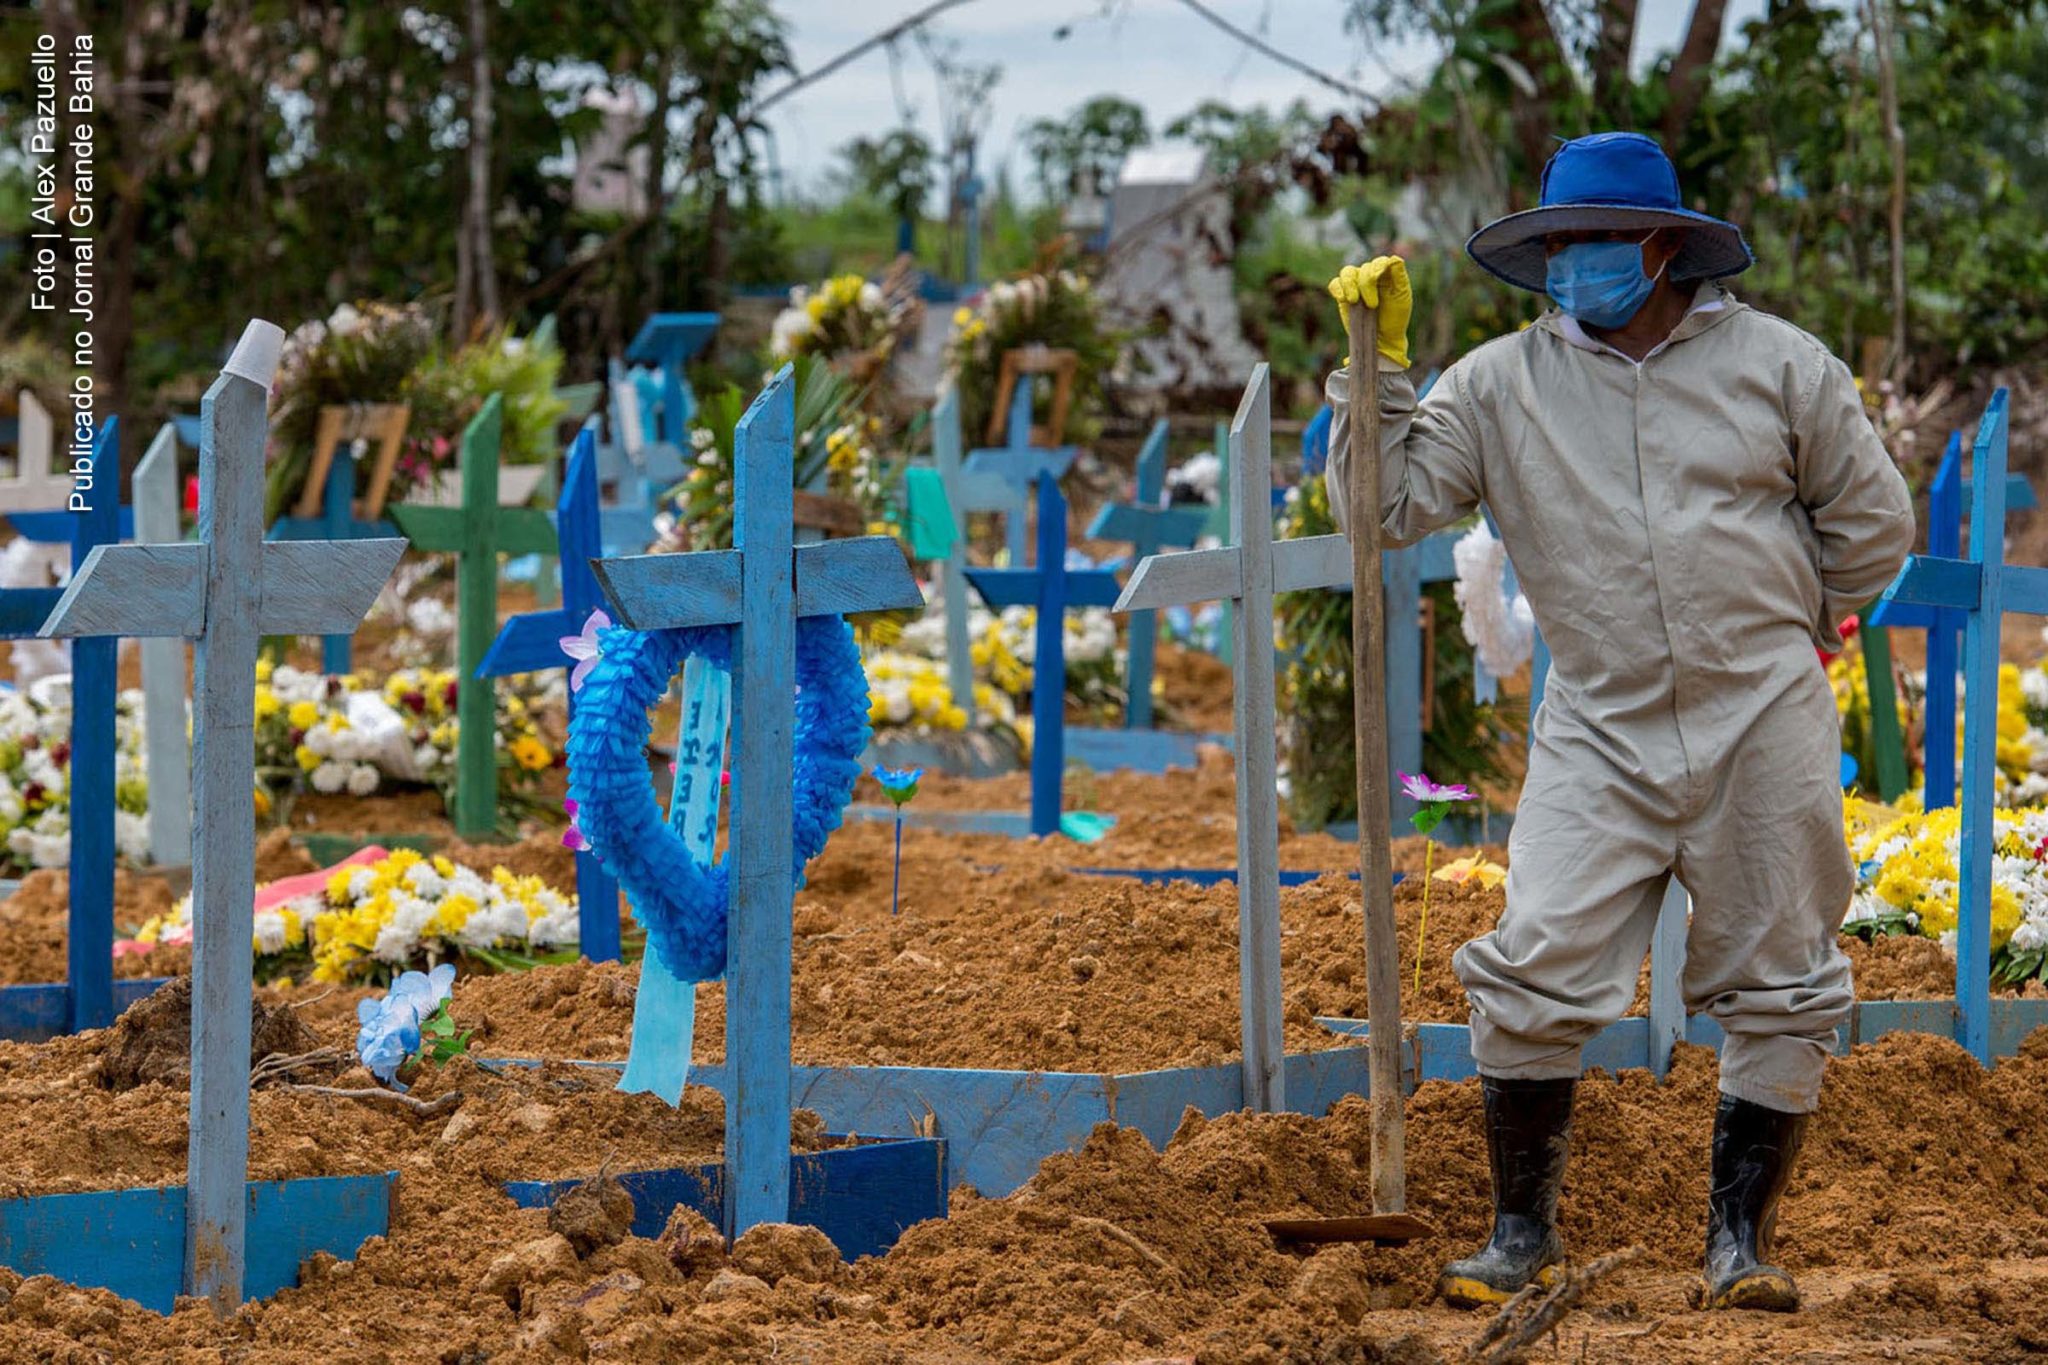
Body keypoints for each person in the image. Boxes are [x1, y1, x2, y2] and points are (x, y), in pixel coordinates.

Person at [1323, 131, 1913, 1313]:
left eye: (1592, 242)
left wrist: (1792, 623)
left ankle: (1738, 1244)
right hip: (1595, 716)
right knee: (1536, 959)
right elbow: (1380, 508)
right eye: (1554, 245)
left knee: (1780, 973)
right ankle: (1517, 1235)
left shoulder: (1781, 368)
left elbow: (1871, 526)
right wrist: (1371, 376)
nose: (1571, 265)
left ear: (1659, 246)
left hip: (1760, 708)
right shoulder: (1497, 385)